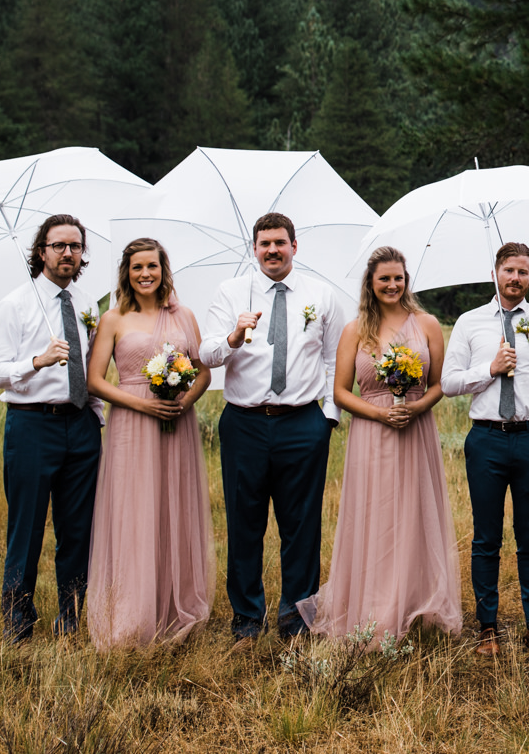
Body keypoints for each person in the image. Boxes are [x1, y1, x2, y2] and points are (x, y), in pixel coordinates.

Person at [198, 213, 348, 642]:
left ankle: (296, 618)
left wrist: (328, 418)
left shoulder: (320, 295)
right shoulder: (230, 293)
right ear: (254, 248)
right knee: (244, 523)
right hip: (244, 423)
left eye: (280, 243)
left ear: (294, 247)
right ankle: (247, 619)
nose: (272, 251)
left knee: (301, 524)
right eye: (264, 244)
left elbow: (335, 358)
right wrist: (233, 335)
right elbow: (206, 355)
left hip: (303, 423)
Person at [298, 246, 460, 643]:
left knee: (413, 514)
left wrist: (417, 406)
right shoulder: (356, 330)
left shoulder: (427, 324)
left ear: (407, 280)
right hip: (372, 434)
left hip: (416, 432)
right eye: (384, 278)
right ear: (370, 283)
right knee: (375, 516)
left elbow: (439, 383)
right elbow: (339, 392)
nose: (392, 285)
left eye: (398, 278)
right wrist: (380, 414)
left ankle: (413, 605)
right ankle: (370, 609)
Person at [82, 237, 214, 648]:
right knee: (135, 509)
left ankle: (174, 608)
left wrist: (182, 401)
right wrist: (142, 406)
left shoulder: (185, 316)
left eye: (152, 267)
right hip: (131, 423)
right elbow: (95, 381)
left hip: (177, 419)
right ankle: (130, 613)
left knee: (171, 505)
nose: (145, 274)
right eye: (137, 267)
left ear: (163, 270)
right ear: (127, 272)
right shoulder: (114, 318)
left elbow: (203, 373)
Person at [442, 241, 529, 657]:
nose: (515, 278)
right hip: (487, 439)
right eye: (509, 270)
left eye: (523, 271)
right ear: (495, 271)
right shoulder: (470, 322)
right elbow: (449, 383)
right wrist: (489, 369)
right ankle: (488, 627)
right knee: (486, 538)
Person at [0, 214, 104, 643]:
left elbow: (92, 368)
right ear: (41, 251)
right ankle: (18, 621)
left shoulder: (88, 305)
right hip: (33, 425)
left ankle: (70, 617)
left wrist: (97, 414)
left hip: (82, 426)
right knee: (27, 527)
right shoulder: (15, 304)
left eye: (74, 246)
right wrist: (37, 361)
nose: (67, 253)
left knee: (78, 529)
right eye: (59, 246)